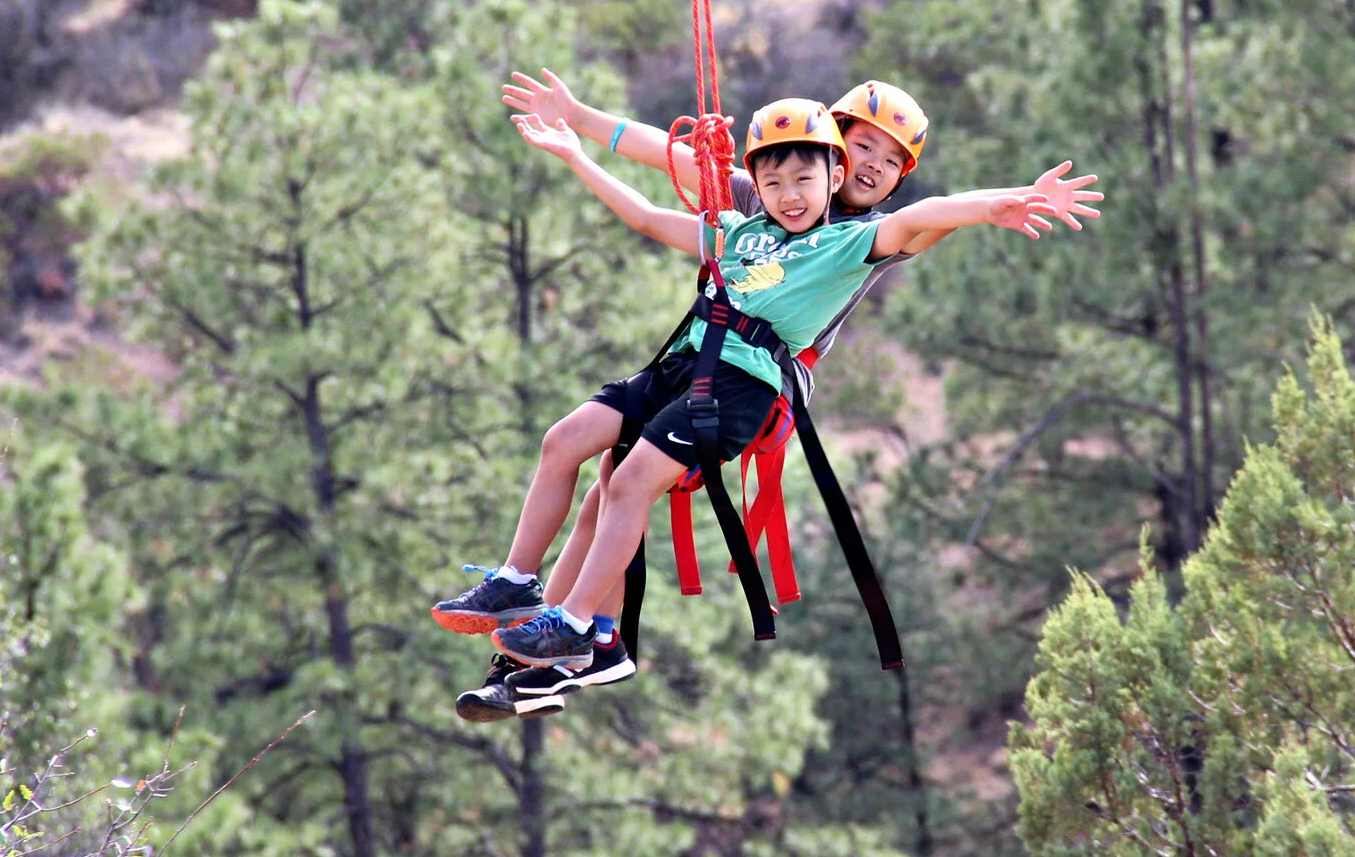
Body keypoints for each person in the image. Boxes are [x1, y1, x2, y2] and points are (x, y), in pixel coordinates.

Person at [440, 98, 1093, 718]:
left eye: (889, 160)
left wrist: (1002, 203)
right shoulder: (759, 206)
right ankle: (557, 633)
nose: (871, 163)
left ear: (839, 173)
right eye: (864, 143)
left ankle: (577, 628)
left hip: (746, 385)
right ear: (836, 148)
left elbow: (930, 214)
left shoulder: (853, 241)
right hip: (689, 366)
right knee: (598, 475)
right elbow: (667, 176)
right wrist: (579, 130)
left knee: (627, 482)